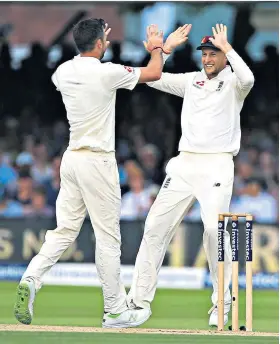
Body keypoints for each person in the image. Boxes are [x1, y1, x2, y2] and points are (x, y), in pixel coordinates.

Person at [13, 18, 189, 329]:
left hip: (71, 160)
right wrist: (159, 48)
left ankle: (31, 277)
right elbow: (153, 73)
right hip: (98, 161)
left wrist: (96, 43)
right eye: (104, 41)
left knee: (64, 232)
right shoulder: (107, 73)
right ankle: (115, 310)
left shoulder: (63, 72)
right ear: (100, 44)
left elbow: (83, 61)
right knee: (108, 239)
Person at [127, 24, 254, 328]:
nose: (208, 59)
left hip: (217, 164)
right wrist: (162, 50)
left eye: (214, 54)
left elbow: (249, 77)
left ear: (224, 57)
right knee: (155, 226)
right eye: (205, 54)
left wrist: (230, 48)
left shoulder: (235, 83)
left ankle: (222, 305)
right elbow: (152, 78)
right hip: (184, 164)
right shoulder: (191, 81)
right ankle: (138, 303)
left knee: (213, 230)